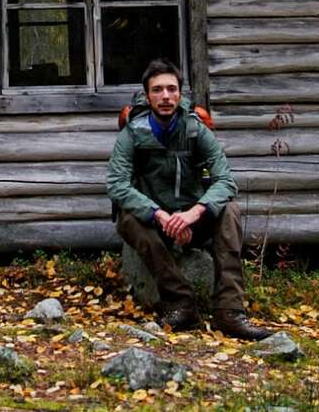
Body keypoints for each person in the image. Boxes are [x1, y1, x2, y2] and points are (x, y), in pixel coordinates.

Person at [107, 57, 272, 338]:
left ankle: (229, 312)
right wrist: (159, 215)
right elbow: (117, 184)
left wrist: (194, 213)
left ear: (180, 93)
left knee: (229, 209)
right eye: (157, 90)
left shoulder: (196, 129)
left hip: (193, 216)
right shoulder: (133, 133)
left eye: (172, 89)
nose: (166, 96)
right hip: (155, 220)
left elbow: (226, 180)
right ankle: (180, 303)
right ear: (148, 96)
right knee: (127, 218)